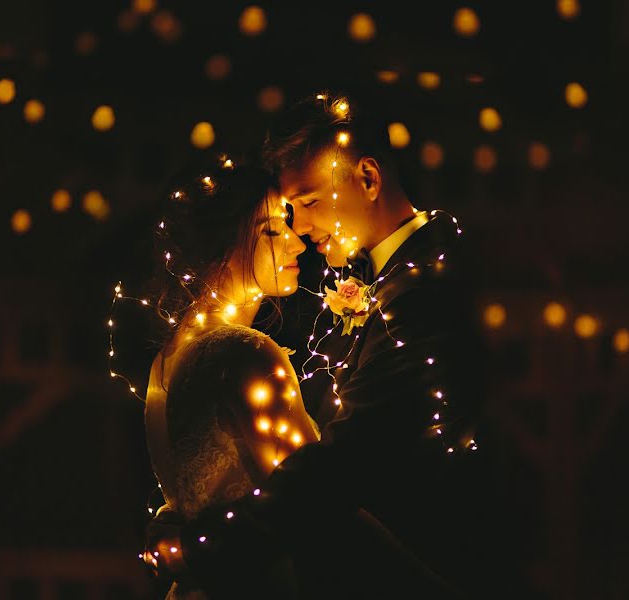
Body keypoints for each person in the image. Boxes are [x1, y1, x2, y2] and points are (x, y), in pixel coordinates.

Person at [149, 92, 493, 597]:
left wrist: (198, 542)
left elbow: (340, 469)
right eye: (286, 215)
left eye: (307, 203)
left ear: (369, 179)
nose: (301, 230)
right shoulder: (391, 283)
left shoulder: (422, 294)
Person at [141, 159, 316, 598]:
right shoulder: (242, 354)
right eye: (274, 231)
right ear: (226, 243)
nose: (298, 245)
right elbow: (316, 499)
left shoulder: (165, 361)